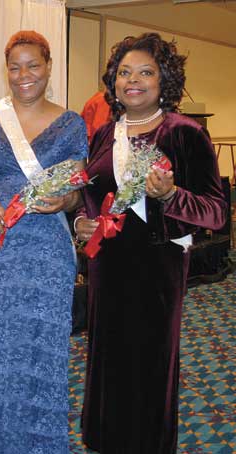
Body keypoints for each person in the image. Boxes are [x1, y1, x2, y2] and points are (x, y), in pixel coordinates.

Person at [76, 33, 227, 454]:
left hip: (156, 269)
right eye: (124, 73)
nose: (133, 81)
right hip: (107, 267)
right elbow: (90, 198)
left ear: (165, 80)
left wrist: (169, 196)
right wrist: (81, 225)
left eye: (145, 72)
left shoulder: (185, 133)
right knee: (107, 362)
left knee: (149, 365)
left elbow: (216, 212)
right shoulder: (104, 135)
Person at [0, 31, 88, 453]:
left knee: (43, 350)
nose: (23, 75)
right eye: (15, 67)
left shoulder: (71, 124)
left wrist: (62, 200)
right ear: (6, 70)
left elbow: (77, 189)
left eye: (33, 65)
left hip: (48, 250)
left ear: (48, 66)